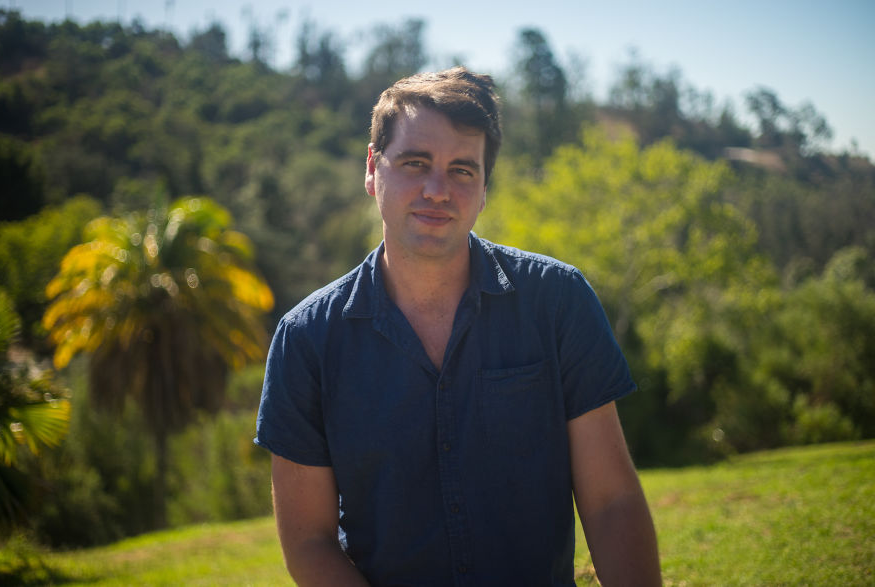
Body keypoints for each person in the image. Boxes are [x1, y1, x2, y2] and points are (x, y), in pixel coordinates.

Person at [255, 66, 661, 586]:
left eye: (462, 170)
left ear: (485, 187)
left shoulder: (558, 301)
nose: (437, 190)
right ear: (373, 169)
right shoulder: (306, 340)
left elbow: (611, 502)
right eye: (415, 163)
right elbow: (309, 542)